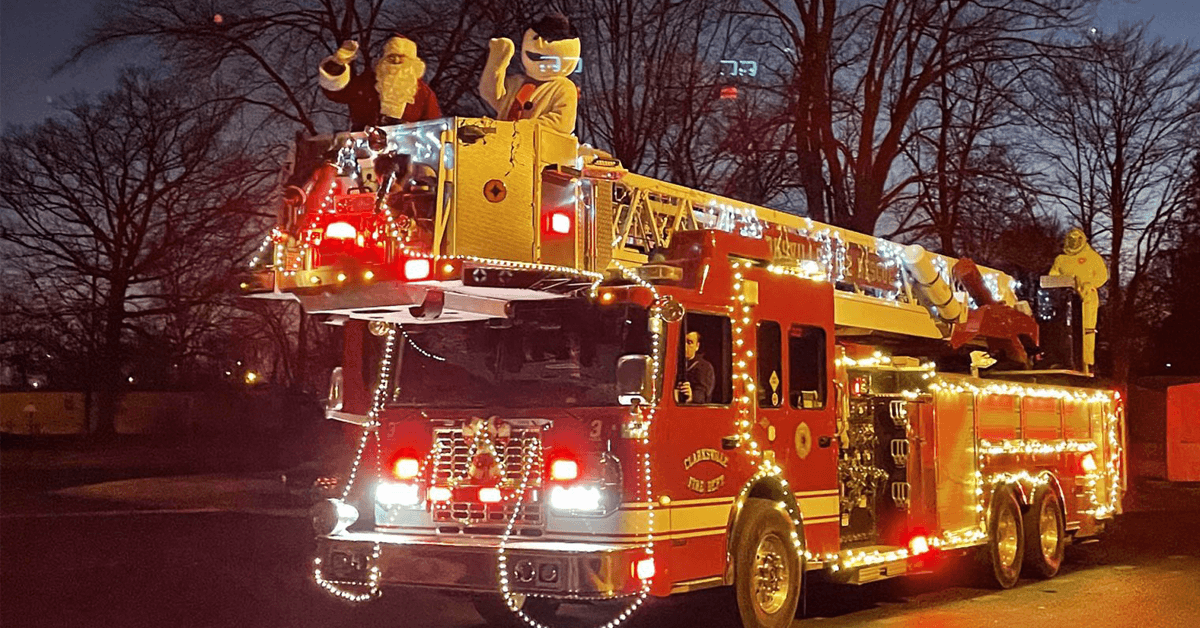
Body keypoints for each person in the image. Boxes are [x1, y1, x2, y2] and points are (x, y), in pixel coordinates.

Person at [479, 13, 581, 136]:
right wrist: (497, 60)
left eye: (548, 39)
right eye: (537, 36)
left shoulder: (564, 88)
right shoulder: (517, 82)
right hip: (504, 147)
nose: (539, 43)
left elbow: (562, 123)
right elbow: (491, 93)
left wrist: (519, 128)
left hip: (539, 151)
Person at [318, 35, 441, 131]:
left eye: (401, 56)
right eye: (391, 56)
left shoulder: (424, 94)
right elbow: (338, 93)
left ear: (412, 62)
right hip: (363, 150)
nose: (396, 60)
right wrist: (337, 63)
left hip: (408, 154)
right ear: (384, 59)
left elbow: (434, 126)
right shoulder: (367, 82)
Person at [1049, 228, 1108, 375]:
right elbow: (1052, 277)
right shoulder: (1061, 260)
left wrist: (1089, 284)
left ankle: (1087, 362)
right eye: (1071, 238)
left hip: (1086, 298)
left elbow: (1102, 276)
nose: (1074, 242)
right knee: (1063, 330)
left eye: (1077, 238)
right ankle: (1064, 359)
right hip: (1065, 300)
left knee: (1086, 330)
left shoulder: (1092, 257)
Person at [676, 331, 715, 404]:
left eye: (689, 342)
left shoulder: (704, 367)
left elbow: (702, 395)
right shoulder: (672, 364)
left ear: (697, 346)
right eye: (682, 342)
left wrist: (691, 396)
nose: (685, 346)